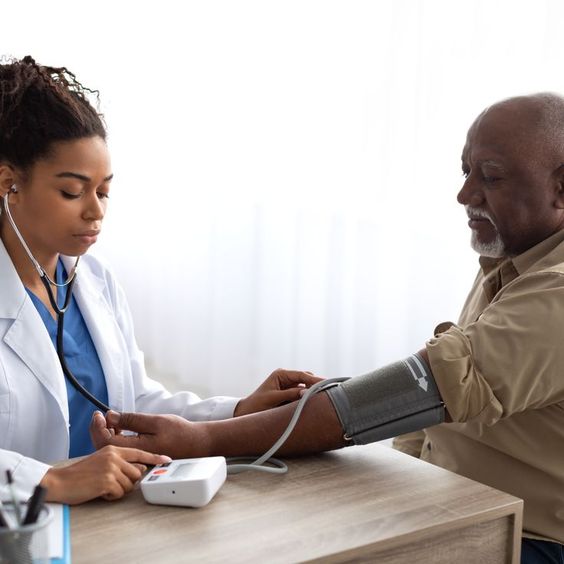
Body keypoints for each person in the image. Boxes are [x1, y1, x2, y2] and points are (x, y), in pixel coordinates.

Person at [92, 93, 564, 562]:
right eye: (465, 172)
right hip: (460, 500)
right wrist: (342, 404)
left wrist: (206, 439)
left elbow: (423, 389)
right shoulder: (511, 260)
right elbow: (437, 403)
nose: (464, 195)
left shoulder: (555, 291)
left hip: (529, 538)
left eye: (491, 177)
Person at [0, 55, 319, 505]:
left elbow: (134, 401)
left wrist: (237, 412)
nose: (95, 211)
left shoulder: (94, 278)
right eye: (72, 191)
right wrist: (51, 481)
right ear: (9, 183)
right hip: (22, 529)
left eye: (103, 191)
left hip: (113, 520)